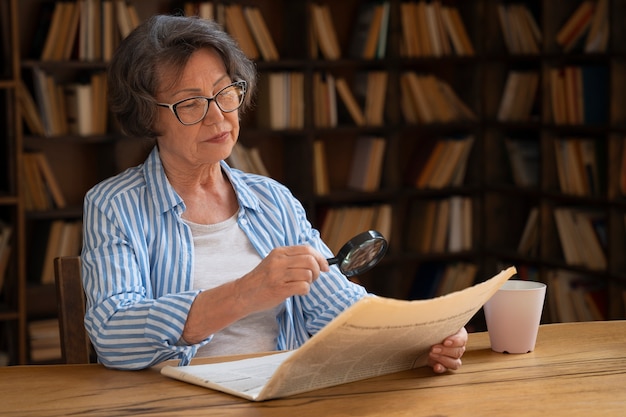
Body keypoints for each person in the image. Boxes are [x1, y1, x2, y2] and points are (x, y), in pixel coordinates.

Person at [81, 14, 467, 372]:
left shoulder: (272, 200)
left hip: (282, 396)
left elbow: (338, 308)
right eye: (192, 103)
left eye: (224, 92)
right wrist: (243, 294)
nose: (218, 116)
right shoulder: (114, 205)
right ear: (147, 115)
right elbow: (114, 335)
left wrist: (423, 333)